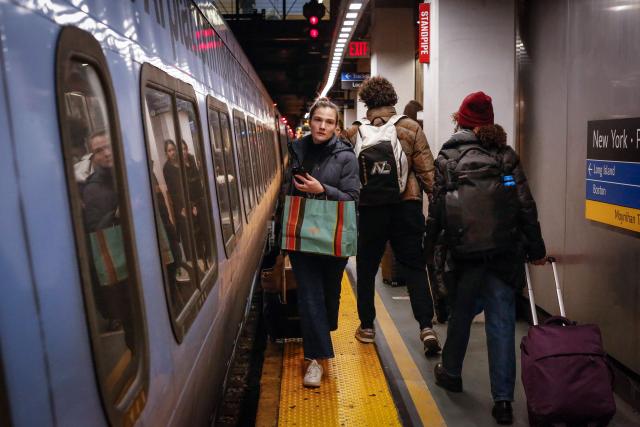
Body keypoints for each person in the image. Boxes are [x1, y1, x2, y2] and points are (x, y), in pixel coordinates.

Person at [427, 92, 546, 425]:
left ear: (460, 120)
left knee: (461, 315)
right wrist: (535, 248)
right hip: (503, 254)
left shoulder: (448, 156)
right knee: (502, 322)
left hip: (464, 255)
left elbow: (437, 210)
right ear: (490, 122)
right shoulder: (505, 156)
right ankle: (504, 401)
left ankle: (451, 372)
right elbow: (525, 203)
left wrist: (429, 250)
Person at [343, 76, 441, 356]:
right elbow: (427, 173)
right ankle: (426, 327)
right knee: (413, 267)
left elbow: (348, 175)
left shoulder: (354, 132)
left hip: (370, 209)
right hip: (405, 207)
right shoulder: (410, 128)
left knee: (366, 267)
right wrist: (437, 206)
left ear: (366, 103)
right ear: (393, 100)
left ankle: (366, 327)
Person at [283, 97, 359, 388]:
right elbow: (288, 190)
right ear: (311, 121)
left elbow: (352, 199)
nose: (322, 126)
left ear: (336, 127)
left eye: (329, 122)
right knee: (309, 295)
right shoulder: (297, 149)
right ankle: (315, 360)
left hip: (332, 236)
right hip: (302, 234)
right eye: (318, 120)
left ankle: (321, 333)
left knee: (329, 297)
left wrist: (321, 189)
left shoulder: (346, 157)